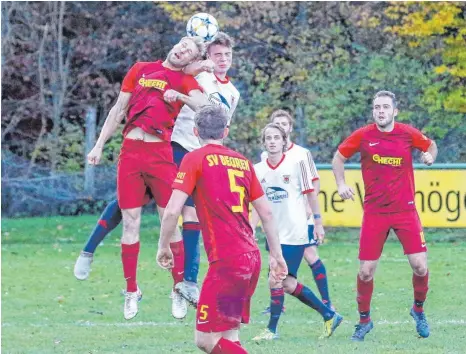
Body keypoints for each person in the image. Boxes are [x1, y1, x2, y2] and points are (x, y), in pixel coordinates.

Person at [73, 32, 240, 319]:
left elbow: (206, 108)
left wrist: (183, 96)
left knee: (171, 219)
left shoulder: (188, 81)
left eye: (189, 51)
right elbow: (118, 109)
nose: (181, 51)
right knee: (129, 220)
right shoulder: (140, 69)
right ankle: (130, 290)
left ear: (191, 60)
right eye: (181, 45)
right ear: (174, 46)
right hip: (131, 151)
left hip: (163, 152)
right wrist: (99, 145)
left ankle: (178, 287)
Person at [156, 105, 288, 354]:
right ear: (225, 131)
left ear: (195, 131)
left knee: (205, 340)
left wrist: (164, 246)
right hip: (250, 257)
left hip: (227, 262)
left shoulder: (194, 158)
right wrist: (277, 255)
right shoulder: (242, 162)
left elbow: (173, 210)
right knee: (229, 336)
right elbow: (266, 213)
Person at [332, 90, 438, 341]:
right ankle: (364, 321)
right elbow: (338, 157)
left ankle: (418, 310)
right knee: (366, 271)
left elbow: (430, 145)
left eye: (385, 107)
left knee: (420, 267)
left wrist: (429, 156)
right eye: (377, 107)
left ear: (394, 111)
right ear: (373, 111)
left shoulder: (406, 133)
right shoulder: (364, 135)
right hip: (375, 212)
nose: (381, 111)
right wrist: (340, 184)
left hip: (405, 210)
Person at [251, 123, 343, 341]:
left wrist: (318, 222)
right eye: (268, 138)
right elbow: (257, 202)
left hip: (295, 232)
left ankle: (271, 330)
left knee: (276, 279)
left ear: (284, 141)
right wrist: (251, 226)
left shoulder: (297, 163)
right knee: (286, 282)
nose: (272, 141)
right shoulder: (257, 169)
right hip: (273, 233)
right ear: (263, 143)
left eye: (276, 137)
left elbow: (311, 194)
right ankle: (329, 314)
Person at [260, 110, 333, 314]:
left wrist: (310, 207)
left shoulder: (302, 153)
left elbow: (314, 182)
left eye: (284, 124)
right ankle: (277, 304)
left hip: (300, 218)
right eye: (276, 124)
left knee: (310, 255)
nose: (281, 127)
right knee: (274, 258)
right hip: (278, 220)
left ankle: (327, 302)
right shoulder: (266, 156)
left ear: (290, 128)